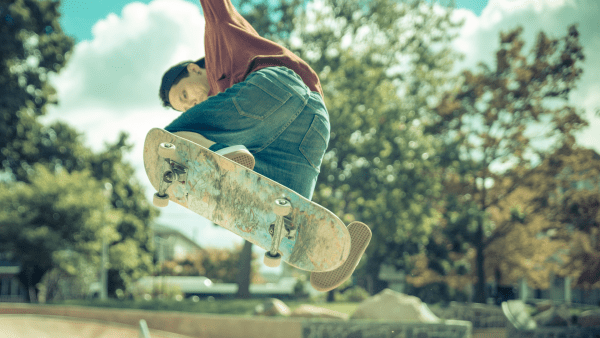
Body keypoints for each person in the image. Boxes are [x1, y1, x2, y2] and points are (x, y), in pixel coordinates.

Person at [158, 0, 369, 291]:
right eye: (185, 106)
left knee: (173, 138)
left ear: (194, 69)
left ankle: (221, 154)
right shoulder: (229, 112)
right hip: (312, 124)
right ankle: (339, 252)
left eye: (185, 95)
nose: (192, 104)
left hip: (276, 87)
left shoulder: (219, 36)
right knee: (284, 213)